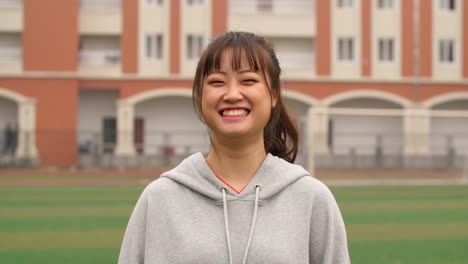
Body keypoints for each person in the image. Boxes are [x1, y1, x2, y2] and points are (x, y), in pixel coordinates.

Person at [118, 31, 350, 264]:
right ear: (200, 95)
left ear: (274, 95)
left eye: (248, 80)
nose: (231, 94)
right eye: (217, 82)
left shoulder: (311, 198)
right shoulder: (159, 199)